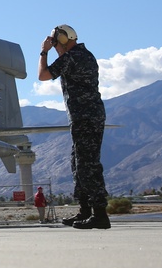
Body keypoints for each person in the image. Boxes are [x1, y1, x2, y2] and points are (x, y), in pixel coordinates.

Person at [39, 24, 110, 230]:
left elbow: (43, 75)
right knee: (78, 163)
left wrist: (44, 51)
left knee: (87, 165)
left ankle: (100, 214)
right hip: (85, 116)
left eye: (55, 42)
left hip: (86, 117)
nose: (54, 46)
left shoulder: (73, 57)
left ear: (62, 40)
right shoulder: (82, 55)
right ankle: (86, 211)